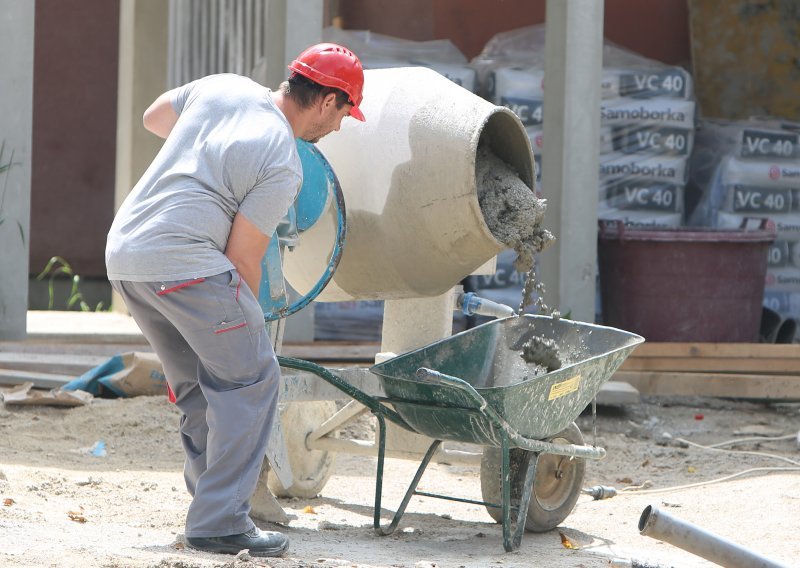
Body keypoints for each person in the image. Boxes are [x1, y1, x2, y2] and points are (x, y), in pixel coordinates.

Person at [105, 43, 365, 558]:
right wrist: (248, 324)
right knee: (252, 377)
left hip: (127, 256)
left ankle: (208, 505)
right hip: (186, 264)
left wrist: (209, 152)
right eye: (344, 114)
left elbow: (154, 116)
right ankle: (221, 522)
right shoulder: (282, 159)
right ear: (327, 100)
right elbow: (242, 257)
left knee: (201, 385)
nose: (338, 128)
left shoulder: (225, 86)